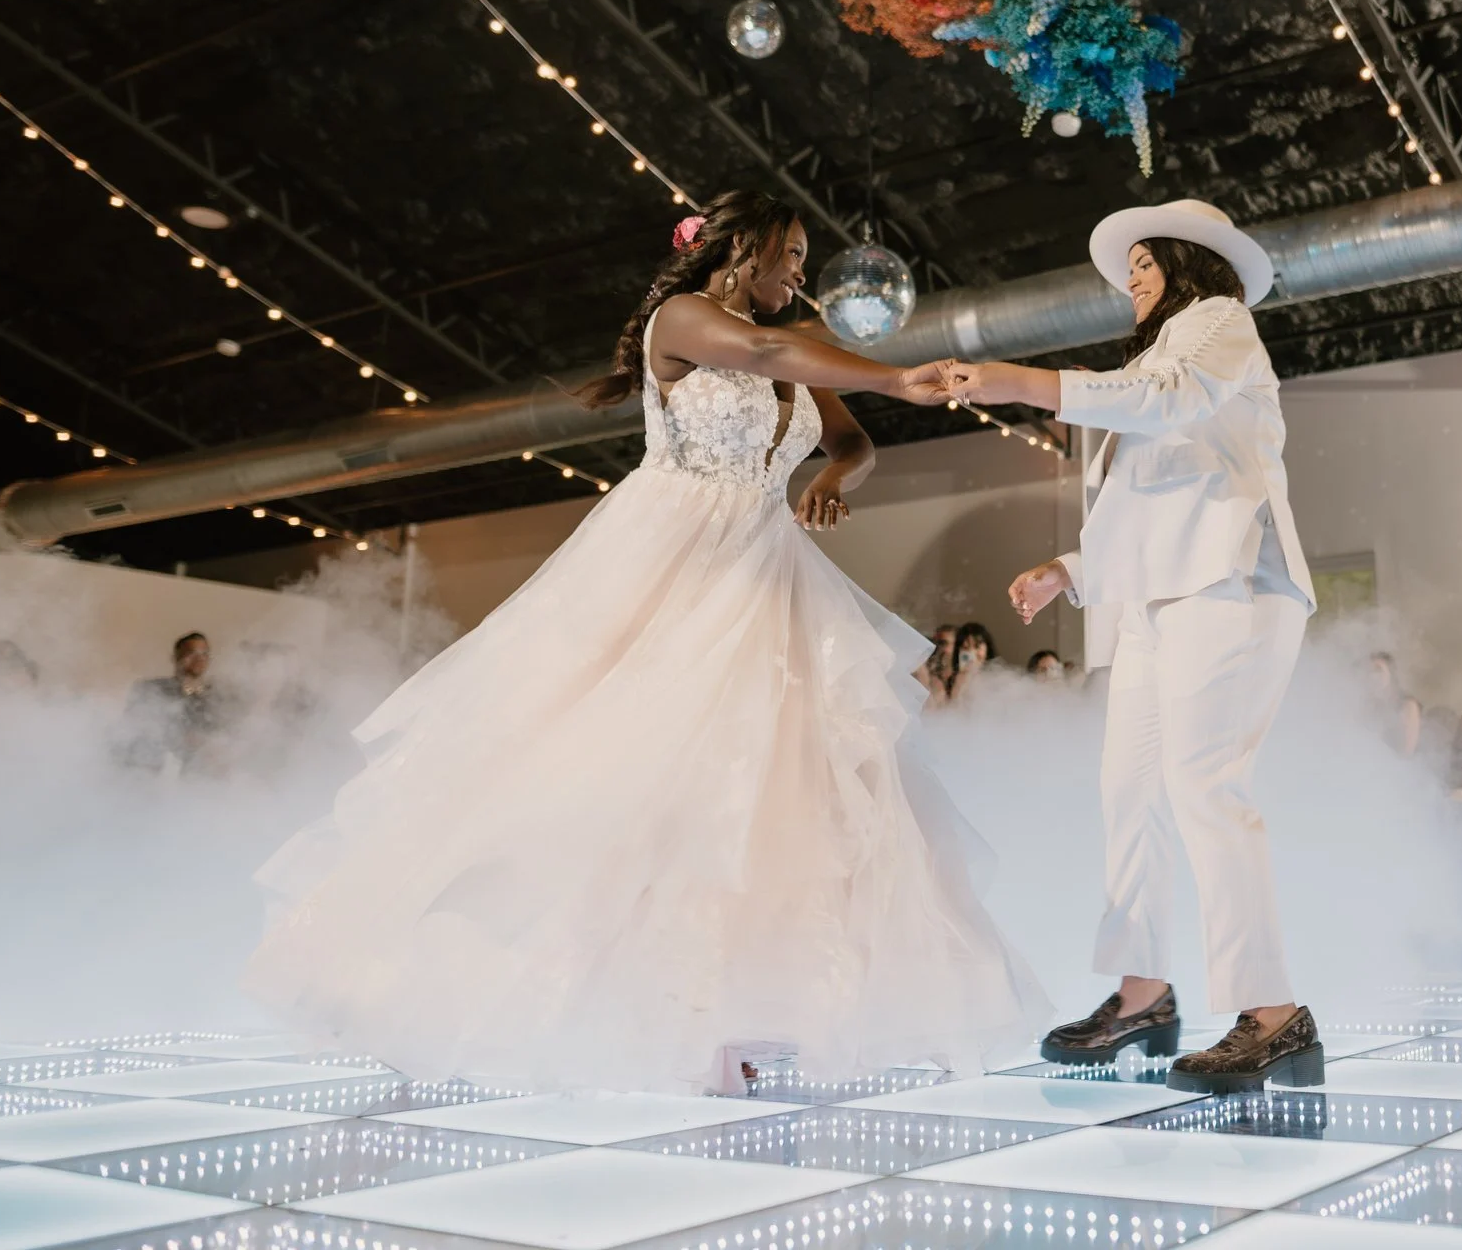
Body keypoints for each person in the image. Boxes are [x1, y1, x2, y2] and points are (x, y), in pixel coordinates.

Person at [243, 190, 1044, 1091]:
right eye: (791, 253)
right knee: (630, 766)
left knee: (774, 789)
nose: (800, 273)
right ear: (741, 247)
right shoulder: (687, 317)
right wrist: (896, 374)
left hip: (768, 566)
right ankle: (572, 1002)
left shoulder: (802, 348)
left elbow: (853, 442)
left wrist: (831, 472)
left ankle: (729, 1019)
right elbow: (766, 350)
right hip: (675, 552)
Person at [966, 198, 1320, 1094]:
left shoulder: (1222, 324)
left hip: (1231, 586)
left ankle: (1275, 1013)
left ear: (1189, 262)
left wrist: (1028, 381)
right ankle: (1144, 992)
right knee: (1131, 793)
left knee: (1204, 784)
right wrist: (1070, 568)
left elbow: (1174, 408)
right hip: (1159, 602)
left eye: (1144, 268)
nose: (1131, 286)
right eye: (1128, 276)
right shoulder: (1157, 356)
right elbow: (1153, 507)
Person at [118, 632, 220, 773]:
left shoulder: (217, 696)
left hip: (201, 779)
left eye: (204, 653)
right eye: (192, 653)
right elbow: (135, 731)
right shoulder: (152, 690)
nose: (199, 658)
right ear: (176, 658)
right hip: (155, 774)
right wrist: (180, 739)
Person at [944, 622, 998, 703]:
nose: (972, 652)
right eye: (965, 648)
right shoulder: (950, 681)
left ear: (987, 648)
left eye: (977, 647)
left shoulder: (997, 680)